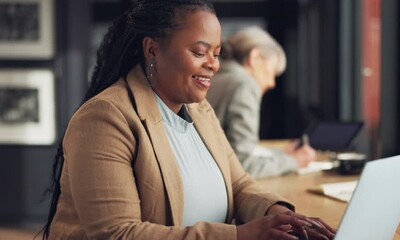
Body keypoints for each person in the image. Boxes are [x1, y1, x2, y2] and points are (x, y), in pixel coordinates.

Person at [40, 1, 335, 239]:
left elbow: (239, 183)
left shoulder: (199, 109)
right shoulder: (105, 118)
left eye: (217, 53)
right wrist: (239, 235)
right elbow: (118, 233)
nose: (213, 64)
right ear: (152, 49)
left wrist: (277, 212)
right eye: (199, 51)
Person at [207, 27, 317, 179]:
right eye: (272, 72)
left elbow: (233, 149)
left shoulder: (215, 76)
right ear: (255, 57)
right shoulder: (244, 84)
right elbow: (244, 166)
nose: (272, 83)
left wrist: (280, 154)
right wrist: (293, 161)